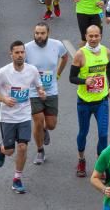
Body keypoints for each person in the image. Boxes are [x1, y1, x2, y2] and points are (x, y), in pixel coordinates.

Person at [0, 40, 46, 195]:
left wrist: (41, 91)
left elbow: (38, 85)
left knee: (23, 146)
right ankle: (1, 150)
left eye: (22, 52)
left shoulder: (32, 70)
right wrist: (4, 99)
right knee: (9, 151)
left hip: (24, 116)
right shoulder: (4, 72)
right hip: (7, 117)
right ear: (11, 54)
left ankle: (17, 178)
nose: (20, 55)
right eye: (17, 53)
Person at [69, 25, 110, 177]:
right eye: (91, 36)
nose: (94, 39)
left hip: (101, 100)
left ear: (100, 36)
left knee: (103, 135)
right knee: (83, 132)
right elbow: (72, 78)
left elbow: (108, 69)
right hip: (84, 101)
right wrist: (84, 81)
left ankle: (100, 165)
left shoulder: (106, 51)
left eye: (96, 36)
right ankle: (81, 159)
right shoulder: (80, 54)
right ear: (86, 36)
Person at [24, 23, 69, 165]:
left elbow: (65, 57)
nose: (39, 36)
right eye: (37, 33)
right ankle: (40, 150)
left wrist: (59, 74)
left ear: (48, 33)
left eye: (42, 33)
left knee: (51, 124)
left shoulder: (57, 45)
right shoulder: (27, 48)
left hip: (51, 90)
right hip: (33, 92)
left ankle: (45, 129)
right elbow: (21, 68)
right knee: (38, 120)